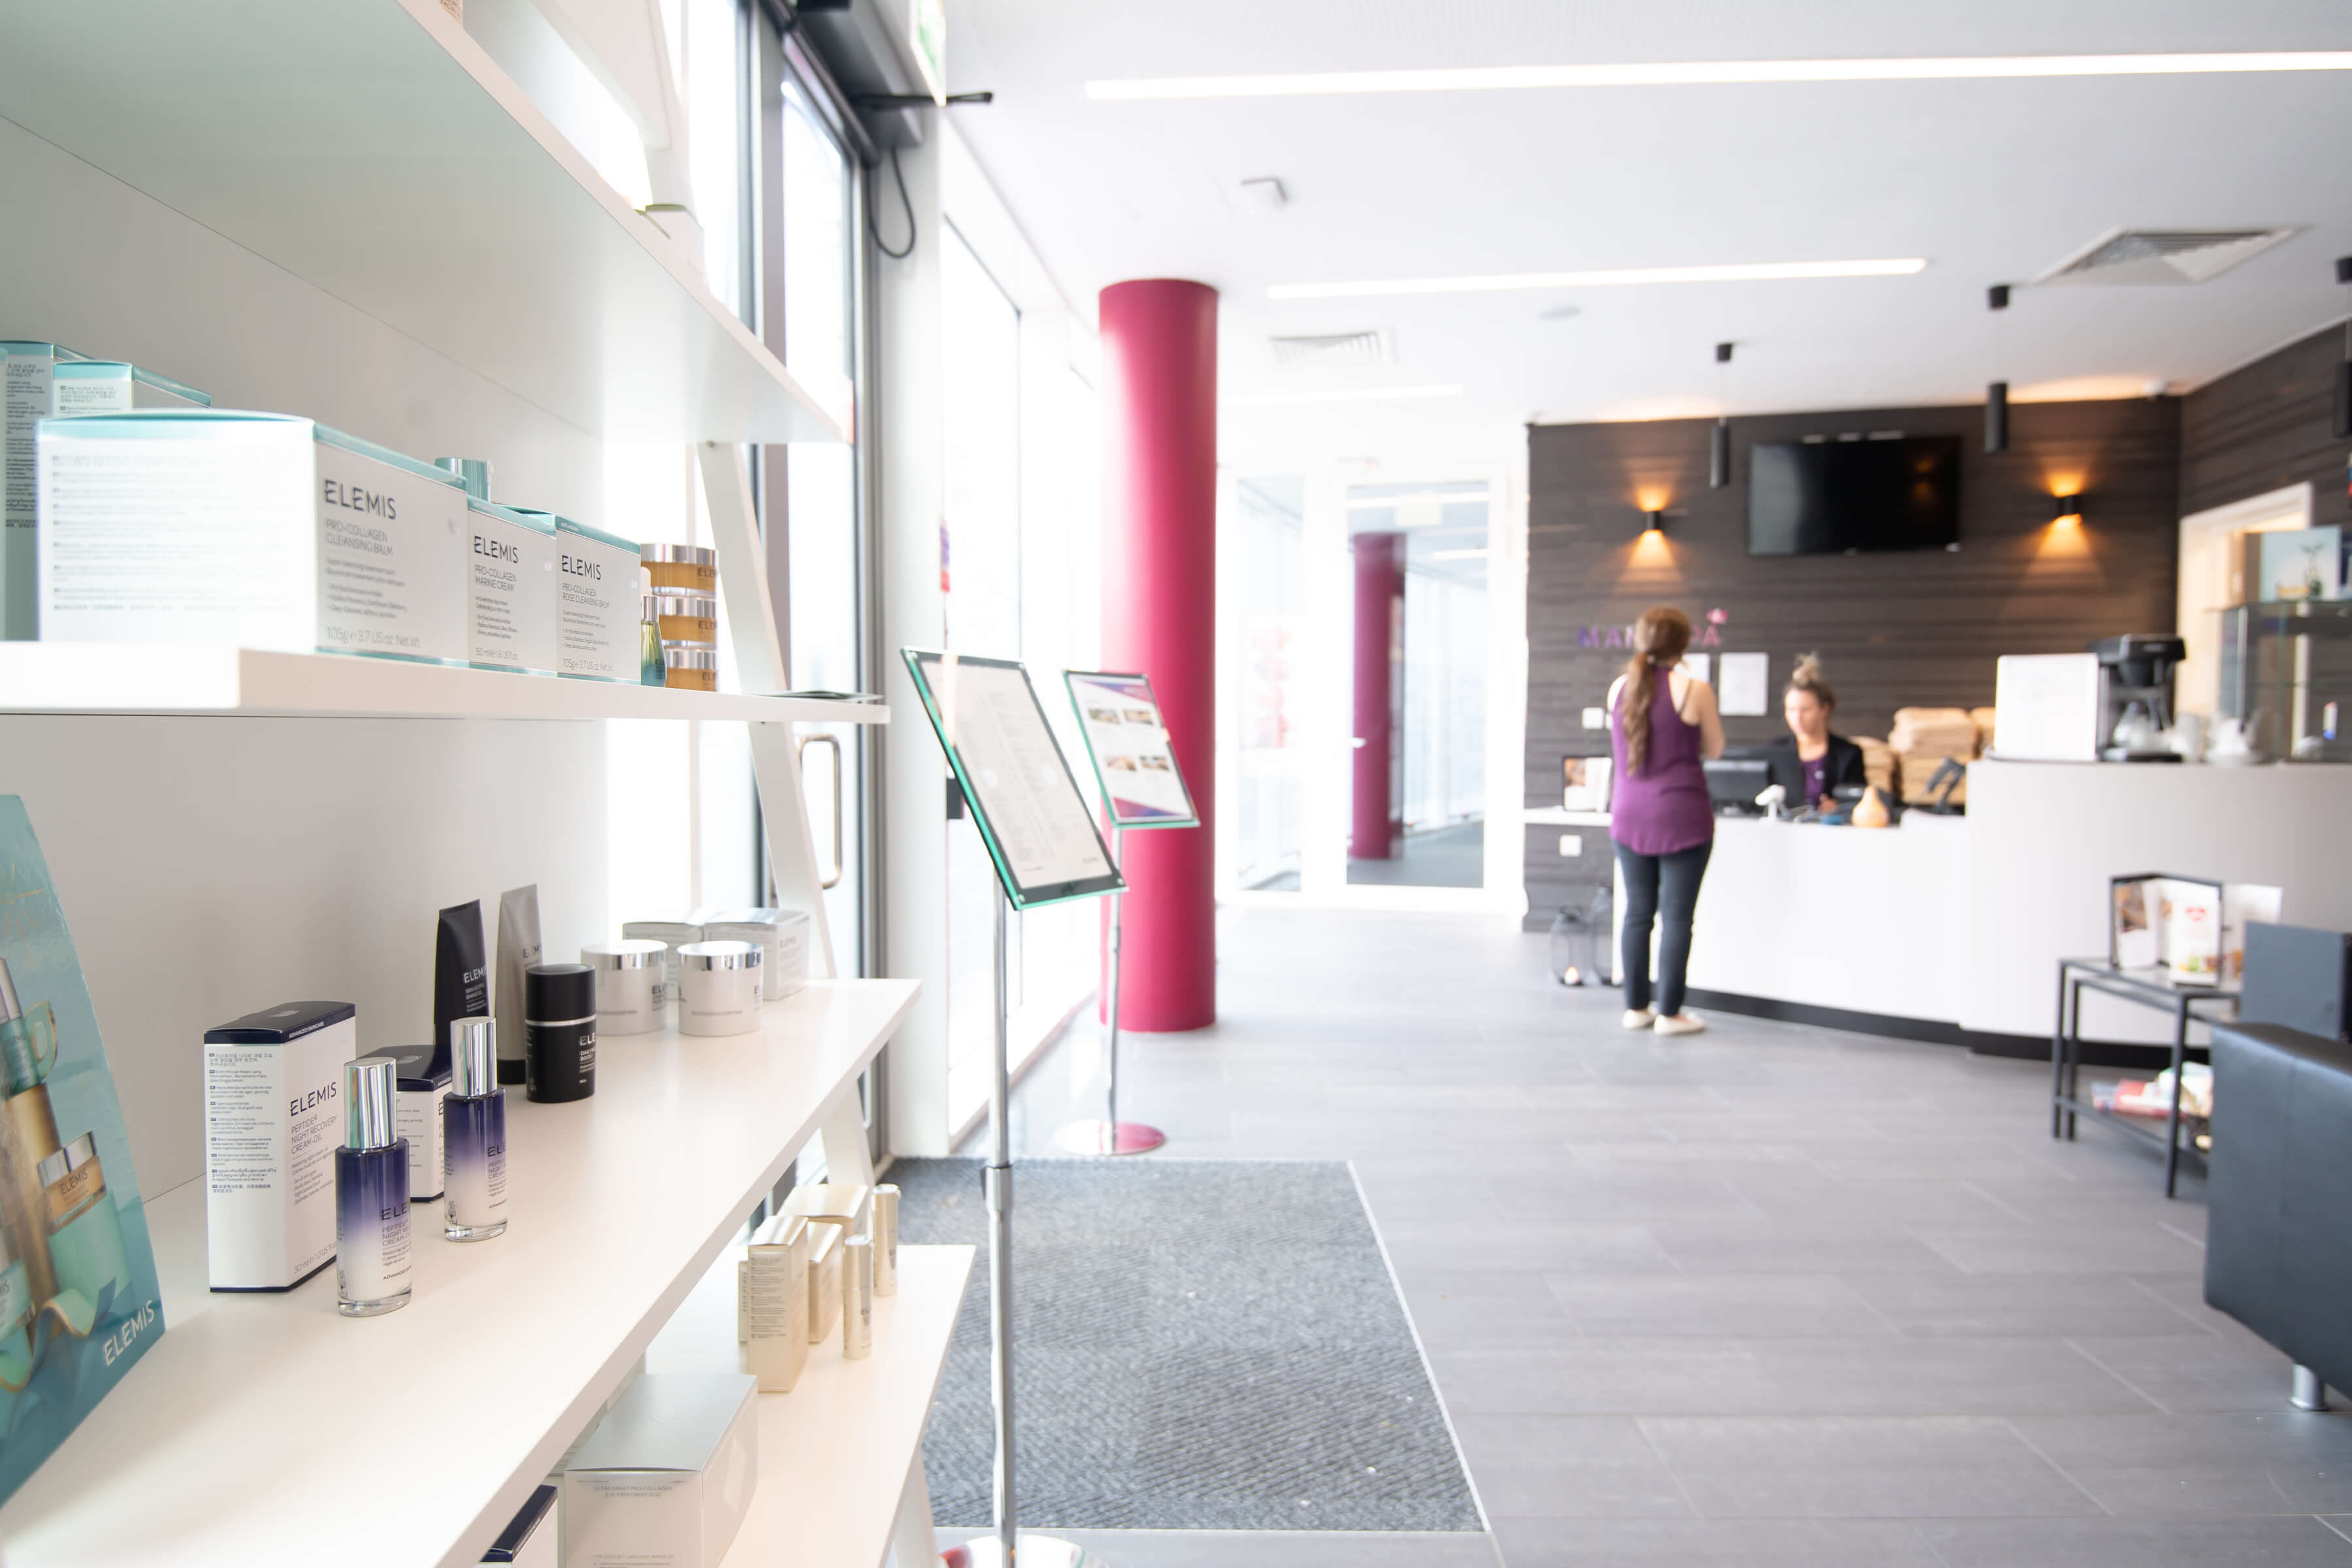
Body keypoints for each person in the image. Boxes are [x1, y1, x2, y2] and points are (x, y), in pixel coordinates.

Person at [1607, 607, 1723, 1037]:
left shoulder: (1619, 688)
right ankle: (1670, 1014)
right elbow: (1715, 748)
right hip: (1681, 818)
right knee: (1676, 918)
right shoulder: (1694, 689)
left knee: (1638, 913)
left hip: (1628, 815)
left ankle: (1636, 1009)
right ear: (1683, 643)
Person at [1763, 653, 1867, 813]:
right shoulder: (1774, 750)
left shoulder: (1848, 754)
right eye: (1791, 710)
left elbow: (1859, 801)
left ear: (1824, 709)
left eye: (1805, 710)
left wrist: (1839, 806)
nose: (1797, 717)